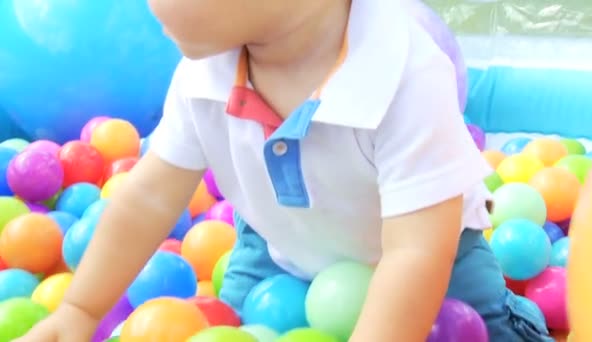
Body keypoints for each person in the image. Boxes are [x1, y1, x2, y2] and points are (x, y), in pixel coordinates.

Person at [16, 0, 554, 341]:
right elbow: (147, 198)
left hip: (431, 250)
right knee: (232, 328)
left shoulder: (405, 72)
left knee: (478, 328)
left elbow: (418, 251)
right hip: (275, 243)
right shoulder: (202, 72)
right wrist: (81, 309)